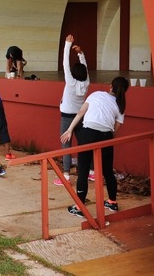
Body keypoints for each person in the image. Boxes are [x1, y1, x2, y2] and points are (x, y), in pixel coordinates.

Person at [61, 77, 129, 217]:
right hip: (106, 136)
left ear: (110, 86)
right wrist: (107, 139)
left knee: (84, 171)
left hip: (88, 133)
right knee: (108, 171)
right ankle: (112, 202)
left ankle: (79, 207)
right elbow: (116, 129)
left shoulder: (96, 94)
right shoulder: (121, 105)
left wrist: (69, 130)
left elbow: (80, 113)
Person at [54, 35, 90, 186]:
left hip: (67, 116)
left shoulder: (70, 82)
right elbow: (86, 70)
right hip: (81, 116)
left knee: (66, 145)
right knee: (84, 144)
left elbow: (65, 64)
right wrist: (81, 54)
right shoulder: (87, 83)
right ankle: (90, 172)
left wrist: (67, 45)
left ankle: (66, 176)